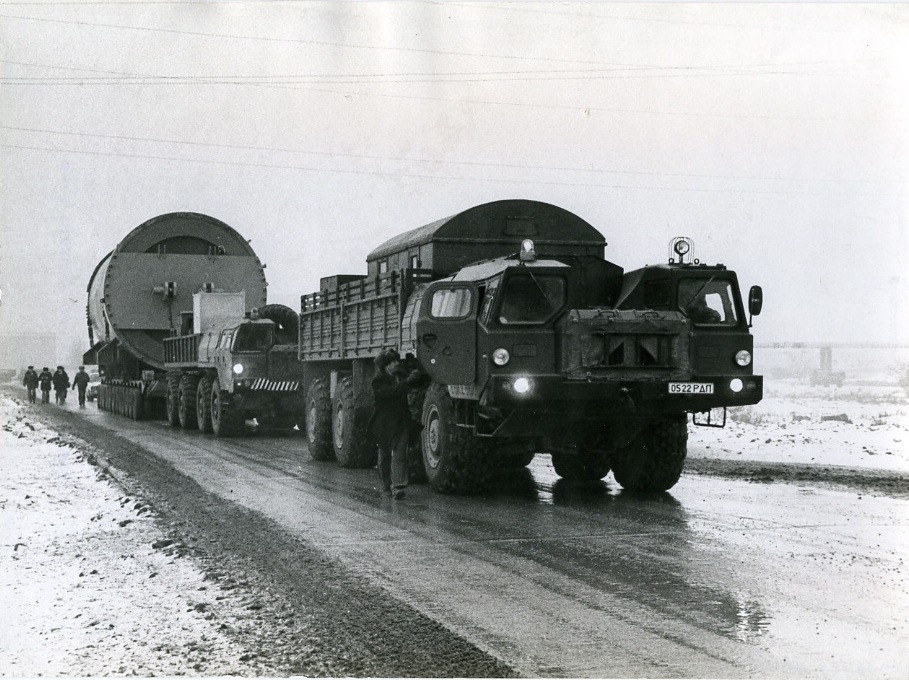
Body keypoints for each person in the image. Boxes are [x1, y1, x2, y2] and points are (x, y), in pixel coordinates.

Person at [368, 349, 426, 500]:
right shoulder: (378, 380)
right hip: (384, 424)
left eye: (397, 361)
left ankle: (398, 486)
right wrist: (407, 382)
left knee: (400, 453)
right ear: (385, 366)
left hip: (401, 421)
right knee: (385, 455)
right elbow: (389, 393)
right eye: (393, 362)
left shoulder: (400, 377)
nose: (396, 364)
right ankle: (386, 485)